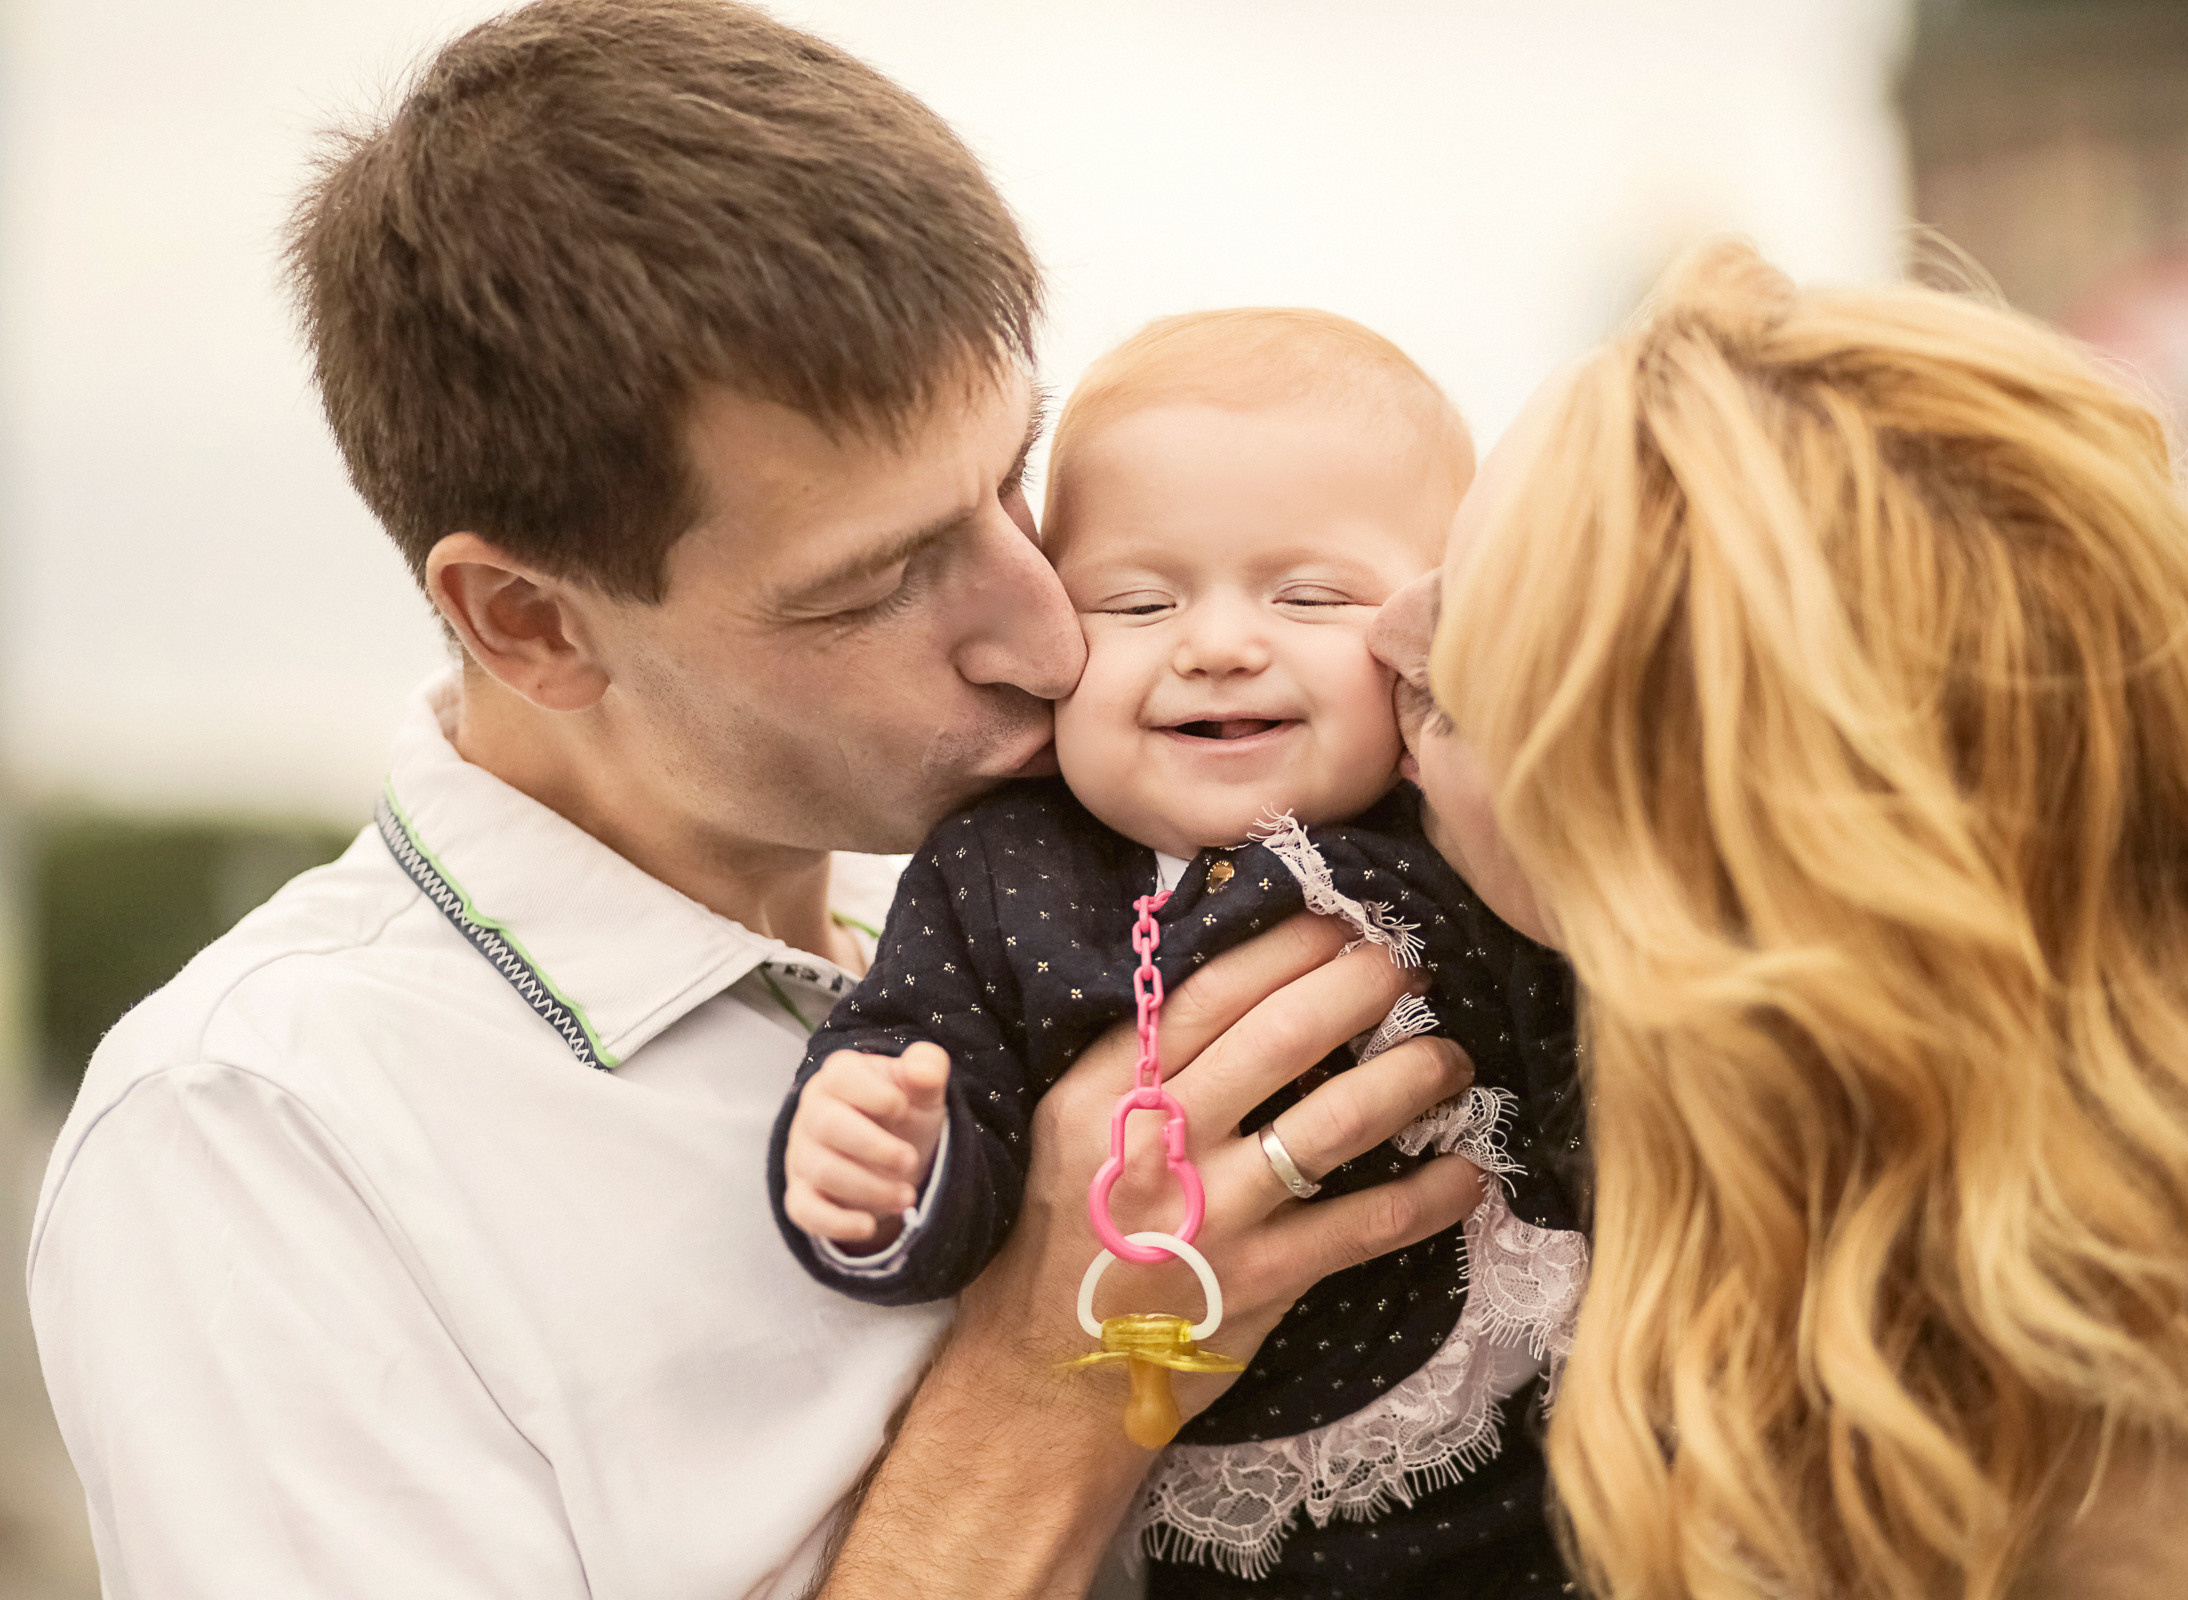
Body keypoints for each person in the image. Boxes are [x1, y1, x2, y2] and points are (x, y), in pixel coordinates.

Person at [25, 5, 1486, 1596]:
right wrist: (1049, 1391)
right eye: (879, 579)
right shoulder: (260, 1133)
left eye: (1013, 477)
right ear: (530, 623)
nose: (1050, 630)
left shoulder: (1086, 886)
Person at [1371, 239, 2188, 1600]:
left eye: (1457, 675)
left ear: (1688, 867)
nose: (1373, 635)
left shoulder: (2145, 1507)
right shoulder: (2084, 1227)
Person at [775, 308, 1589, 1595]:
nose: (1215, 644)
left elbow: (1613, 1060)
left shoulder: (1462, 834)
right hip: (1212, 1519)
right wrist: (882, 1160)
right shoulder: (999, 874)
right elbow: (920, 1059)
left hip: (1534, 1454)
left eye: (1310, 597)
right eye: (1137, 603)